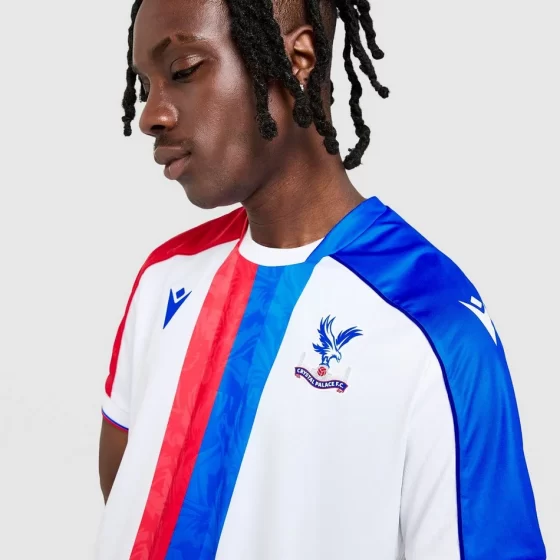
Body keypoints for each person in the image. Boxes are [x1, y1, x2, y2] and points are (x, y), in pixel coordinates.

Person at [96, 0, 546, 558]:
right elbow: (127, 498)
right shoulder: (163, 277)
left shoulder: (432, 327)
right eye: (146, 85)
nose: (151, 115)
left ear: (299, 58)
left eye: (183, 70)